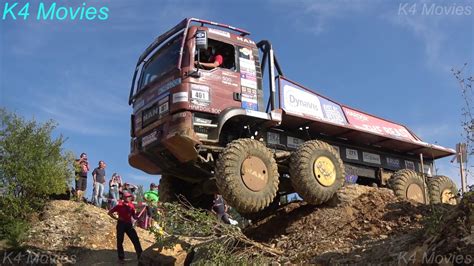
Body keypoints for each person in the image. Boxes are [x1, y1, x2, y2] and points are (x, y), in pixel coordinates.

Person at [108, 192, 143, 262]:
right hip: (121, 224)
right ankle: (121, 258)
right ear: (123, 198)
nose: (128, 198)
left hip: (129, 224)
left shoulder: (131, 205)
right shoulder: (119, 205)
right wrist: (117, 219)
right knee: (120, 241)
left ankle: (140, 256)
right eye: (126, 197)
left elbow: (134, 215)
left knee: (135, 240)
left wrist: (138, 218)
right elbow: (109, 213)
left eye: (129, 196)